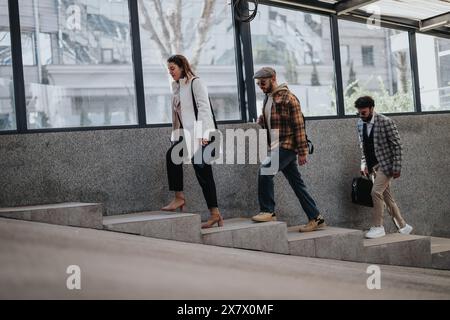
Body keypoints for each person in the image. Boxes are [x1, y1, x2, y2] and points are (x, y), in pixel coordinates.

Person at [252, 67, 325, 232]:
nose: (261, 86)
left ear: (273, 78)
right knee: (297, 184)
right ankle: (316, 217)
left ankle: (268, 211)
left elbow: (298, 126)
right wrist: (263, 121)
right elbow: (275, 122)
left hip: (287, 146)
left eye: (263, 82)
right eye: (258, 84)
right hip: (277, 145)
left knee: (265, 170)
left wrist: (302, 151)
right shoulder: (268, 98)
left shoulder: (288, 98)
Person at [161, 54, 223, 229]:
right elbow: (177, 116)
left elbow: (204, 108)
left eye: (172, 68)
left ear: (182, 67)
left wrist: (204, 134)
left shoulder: (196, 82)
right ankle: (179, 198)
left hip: (202, 135)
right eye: (168, 69)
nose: (170, 72)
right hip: (186, 136)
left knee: (203, 172)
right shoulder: (177, 87)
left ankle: (214, 213)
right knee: (171, 157)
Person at [355, 96, 413, 239]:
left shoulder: (386, 122)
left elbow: (397, 146)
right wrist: (363, 164)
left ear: (372, 109)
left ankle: (378, 226)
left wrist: (397, 167)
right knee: (387, 198)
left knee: (375, 192)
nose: (361, 116)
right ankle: (403, 226)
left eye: (364, 113)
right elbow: (363, 147)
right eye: (359, 113)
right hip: (372, 167)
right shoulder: (359, 124)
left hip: (386, 166)